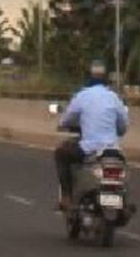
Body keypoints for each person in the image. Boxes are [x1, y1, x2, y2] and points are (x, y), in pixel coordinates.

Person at [54, 60, 129, 212]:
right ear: (105, 78)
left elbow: (67, 119)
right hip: (112, 149)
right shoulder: (114, 97)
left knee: (61, 154)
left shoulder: (82, 96)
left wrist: (63, 124)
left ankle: (67, 197)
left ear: (89, 77)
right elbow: (123, 124)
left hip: (90, 149)